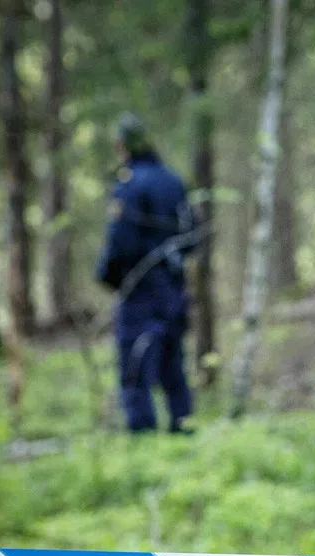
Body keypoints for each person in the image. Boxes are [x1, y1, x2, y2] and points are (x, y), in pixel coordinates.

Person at [95, 112, 196, 434]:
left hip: (140, 289)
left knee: (135, 366)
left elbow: (120, 242)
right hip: (173, 287)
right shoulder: (173, 180)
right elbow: (192, 236)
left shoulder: (129, 185)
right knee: (172, 363)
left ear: (123, 145)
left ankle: (143, 439)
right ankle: (184, 427)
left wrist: (109, 276)